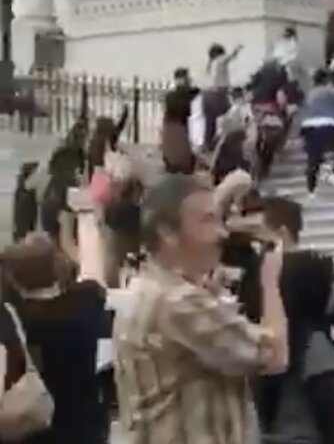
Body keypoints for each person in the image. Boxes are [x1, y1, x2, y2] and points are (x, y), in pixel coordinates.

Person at [113, 174, 289, 444]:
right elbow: (274, 355)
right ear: (167, 233)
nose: (222, 232)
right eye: (207, 220)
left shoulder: (146, 288)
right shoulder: (176, 301)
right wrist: (271, 280)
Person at [0, 185, 109, 444]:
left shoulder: (16, 319)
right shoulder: (85, 303)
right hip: (85, 431)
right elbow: (93, 266)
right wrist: (83, 216)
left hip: (33, 433)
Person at [256, 197, 334, 444]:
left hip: (286, 377)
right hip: (322, 366)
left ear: (280, 234)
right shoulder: (326, 271)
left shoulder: (265, 275)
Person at [298, 70, 334, 195]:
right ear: (328, 81)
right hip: (328, 124)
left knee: (313, 158)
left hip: (308, 126)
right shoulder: (333, 91)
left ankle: (311, 190)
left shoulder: (311, 94)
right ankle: (332, 171)